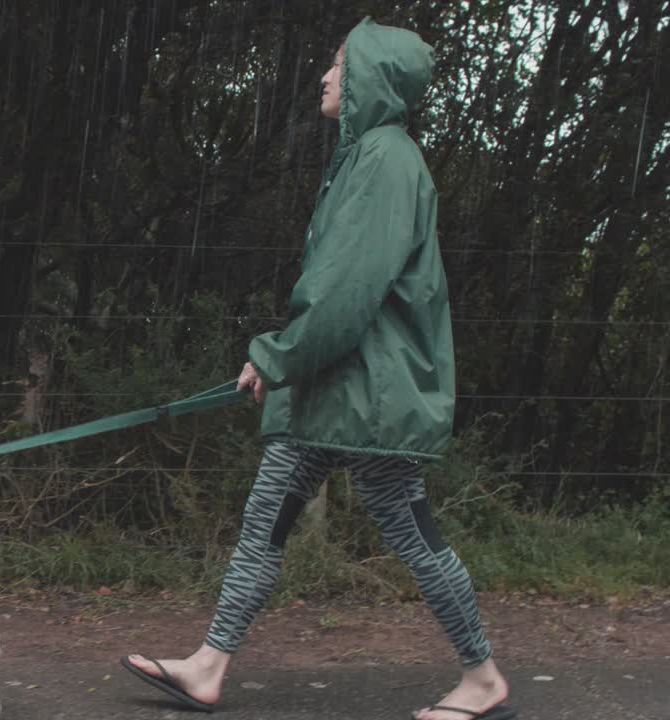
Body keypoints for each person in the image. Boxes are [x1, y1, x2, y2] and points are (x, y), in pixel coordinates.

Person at [120, 18, 515, 720]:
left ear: (374, 80)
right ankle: (209, 666)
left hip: (367, 394)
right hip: (337, 392)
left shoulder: (387, 161)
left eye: (340, 66)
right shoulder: (364, 157)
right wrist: (286, 359)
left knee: (414, 537)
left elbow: (346, 291)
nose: (326, 78)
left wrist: (276, 356)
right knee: (266, 518)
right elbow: (338, 288)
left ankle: (482, 678)